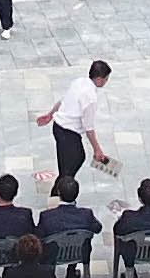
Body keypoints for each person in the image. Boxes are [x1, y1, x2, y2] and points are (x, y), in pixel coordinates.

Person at [36, 59, 112, 187]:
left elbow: (63, 100)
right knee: (74, 162)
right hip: (68, 132)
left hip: (58, 127)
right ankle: (62, 191)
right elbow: (89, 127)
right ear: (99, 79)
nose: (106, 81)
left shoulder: (79, 82)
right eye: (106, 79)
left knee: (67, 164)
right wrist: (97, 149)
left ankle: (62, 188)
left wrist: (50, 114)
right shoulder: (90, 97)